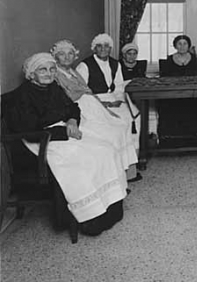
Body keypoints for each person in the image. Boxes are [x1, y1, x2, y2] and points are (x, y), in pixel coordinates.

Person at [5, 53, 127, 236]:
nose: (49, 73)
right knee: (85, 158)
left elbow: (73, 107)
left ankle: (107, 209)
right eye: (43, 69)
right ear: (31, 74)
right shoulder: (22, 95)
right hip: (41, 141)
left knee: (104, 148)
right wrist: (63, 132)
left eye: (52, 69)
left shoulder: (54, 87)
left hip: (62, 131)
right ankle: (88, 218)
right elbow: (29, 130)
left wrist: (71, 121)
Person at [51, 40, 139, 174]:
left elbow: (89, 91)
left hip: (93, 105)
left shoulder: (73, 72)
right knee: (112, 131)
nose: (67, 57)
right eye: (62, 54)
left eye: (70, 53)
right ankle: (113, 173)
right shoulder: (56, 75)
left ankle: (125, 172)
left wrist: (102, 104)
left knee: (121, 124)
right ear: (55, 57)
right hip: (82, 111)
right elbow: (67, 99)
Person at [76, 33, 142, 181]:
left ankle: (129, 171)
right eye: (99, 46)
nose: (103, 49)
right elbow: (82, 91)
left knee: (132, 118)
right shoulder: (84, 65)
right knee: (115, 125)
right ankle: (113, 172)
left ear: (111, 48)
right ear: (94, 49)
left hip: (114, 98)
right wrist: (103, 104)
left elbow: (119, 85)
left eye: (106, 46)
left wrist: (117, 100)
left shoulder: (115, 63)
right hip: (93, 101)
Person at [158, 35, 197, 139]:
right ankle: (171, 134)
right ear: (175, 46)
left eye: (185, 44)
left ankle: (192, 134)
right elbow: (164, 77)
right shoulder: (169, 59)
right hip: (173, 92)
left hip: (191, 91)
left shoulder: (194, 59)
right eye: (179, 44)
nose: (182, 46)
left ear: (188, 46)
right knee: (165, 103)